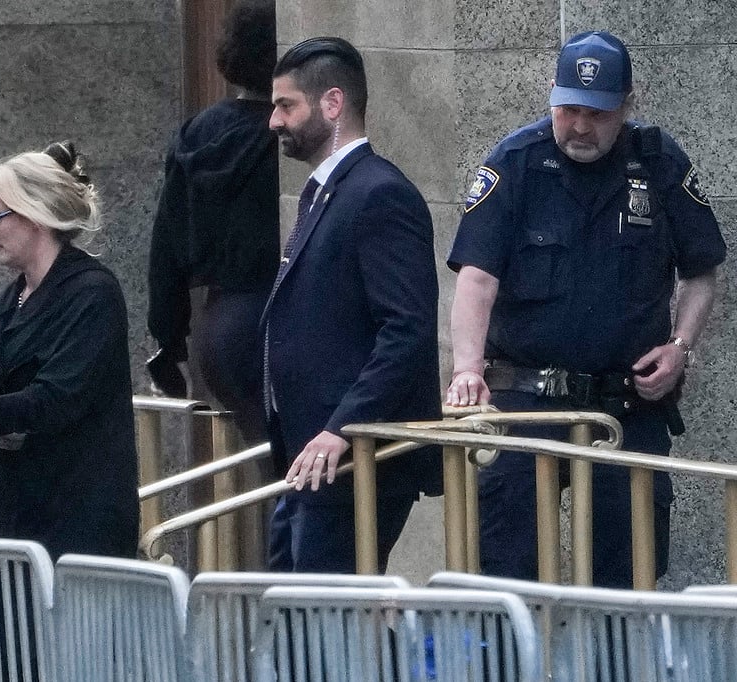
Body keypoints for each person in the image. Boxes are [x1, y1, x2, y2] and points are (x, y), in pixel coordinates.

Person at [446, 31, 725, 587]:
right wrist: (466, 371)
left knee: (628, 577)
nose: (579, 126)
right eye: (569, 109)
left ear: (627, 105)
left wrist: (680, 348)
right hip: (527, 403)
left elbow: (701, 273)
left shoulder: (659, 162)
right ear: (552, 96)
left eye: (597, 114)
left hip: (626, 405)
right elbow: (476, 279)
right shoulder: (515, 162)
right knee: (505, 572)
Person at [263, 37, 443, 573]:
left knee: (328, 629)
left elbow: (406, 331)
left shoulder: (379, 193)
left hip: (353, 461)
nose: (273, 121)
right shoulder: (326, 191)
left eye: (286, 105)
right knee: (296, 621)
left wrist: (342, 428)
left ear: (333, 104)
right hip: (311, 459)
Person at [0, 142, 139, 561]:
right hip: (20, 511)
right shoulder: (14, 294)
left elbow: (59, 397)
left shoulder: (92, 292)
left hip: (79, 517)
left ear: (34, 213)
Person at [146, 0, 279, 443]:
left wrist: (169, 340)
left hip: (216, 323)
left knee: (268, 468)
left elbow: (165, 246)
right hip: (270, 318)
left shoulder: (194, 134)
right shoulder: (285, 141)